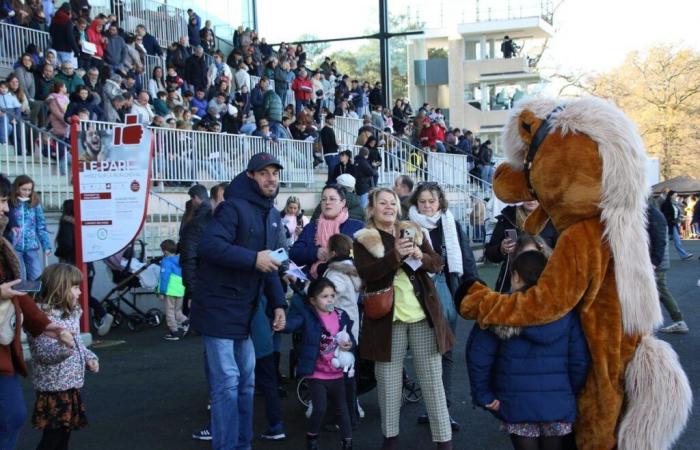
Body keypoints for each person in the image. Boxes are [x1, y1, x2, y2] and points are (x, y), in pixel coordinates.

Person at [189, 153, 288, 450]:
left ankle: (241, 446)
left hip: (245, 311)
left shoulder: (271, 214)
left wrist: (279, 304)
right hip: (218, 309)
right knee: (228, 385)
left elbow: (269, 264)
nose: (271, 178)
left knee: (245, 384)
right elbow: (209, 246)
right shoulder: (233, 208)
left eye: (275, 173)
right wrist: (253, 259)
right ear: (251, 177)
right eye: (264, 173)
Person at [353, 188, 454, 449]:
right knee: (388, 382)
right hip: (387, 320)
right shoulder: (364, 238)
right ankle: (391, 438)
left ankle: (444, 440)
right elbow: (368, 273)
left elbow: (438, 262)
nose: (388, 207)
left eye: (392, 203)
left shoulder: (412, 228)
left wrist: (423, 256)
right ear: (372, 209)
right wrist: (395, 254)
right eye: (382, 203)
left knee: (432, 380)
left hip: (422, 316)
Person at [466, 250, 589, 450]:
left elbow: (479, 357)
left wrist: (484, 395)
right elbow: (580, 360)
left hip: (516, 403)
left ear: (515, 276)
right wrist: (568, 392)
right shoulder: (564, 310)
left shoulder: (500, 308)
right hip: (558, 403)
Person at [0, 173, 72, 450]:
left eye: (7, 200)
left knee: (12, 416)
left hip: (5, 349)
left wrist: (46, 325)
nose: (7, 208)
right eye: (3, 200)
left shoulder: (5, 244)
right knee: (11, 417)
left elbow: (17, 292)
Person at [408, 182, 479, 431]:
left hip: (446, 292)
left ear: (440, 203)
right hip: (417, 297)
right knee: (425, 355)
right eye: (422, 201)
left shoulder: (451, 223)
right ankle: (433, 408)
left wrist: (475, 289)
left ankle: (442, 409)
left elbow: (466, 259)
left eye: (432, 201)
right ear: (415, 203)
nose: (427, 206)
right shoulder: (408, 227)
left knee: (445, 353)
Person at [28, 263, 100, 450]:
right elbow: (44, 354)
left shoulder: (70, 314)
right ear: (59, 288)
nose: (80, 293)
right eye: (75, 287)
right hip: (53, 387)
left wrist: (89, 357)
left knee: (63, 436)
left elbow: (77, 343)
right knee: (53, 439)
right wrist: (66, 347)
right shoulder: (42, 318)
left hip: (68, 385)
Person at [282, 278, 355, 450]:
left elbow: (349, 337)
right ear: (313, 300)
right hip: (317, 372)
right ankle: (312, 436)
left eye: (332, 295)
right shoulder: (308, 315)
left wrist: (350, 343)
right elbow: (292, 324)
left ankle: (348, 442)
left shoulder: (341, 315)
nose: (330, 299)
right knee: (320, 408)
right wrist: (281, 323)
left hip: (337, 373)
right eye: (324, 296)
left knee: (343, 410)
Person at [53, 199, 113, 336]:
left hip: (72, 266)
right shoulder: (82, 225)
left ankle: (75, 326)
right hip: (88, 266)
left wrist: (58, 252)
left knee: (71, 296)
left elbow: (66, 245)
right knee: (84, 296)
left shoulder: (66, 224)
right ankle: (101, 315)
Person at [321, 234, 361, 428]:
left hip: (338, 330)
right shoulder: (353, 271)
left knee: (338, 377)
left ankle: (343, 418)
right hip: (351, 327)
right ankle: (350, 414)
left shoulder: (335, 274)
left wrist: (308, 291)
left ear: (334, 252)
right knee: (348, 374)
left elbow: (327, 300)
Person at [290, 185, 364, 280]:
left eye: (332, 199)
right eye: (324, 199)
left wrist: (339, 256)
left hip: (347, 283)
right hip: (315, 284)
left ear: (343, 203)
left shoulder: (357, 227)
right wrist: (316, 252)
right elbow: (294, 253)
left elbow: (363, 256)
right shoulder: (312, 227)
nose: (327, 203)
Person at [485, 200, 558, 293]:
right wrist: (501, 249)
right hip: (511, 284)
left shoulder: (553, 220)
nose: (530, 200)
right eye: (526, 196)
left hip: (544, 283)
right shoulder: (507, 218)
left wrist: (545, 251)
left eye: (534, 196)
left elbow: (563, 256)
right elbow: (489, 254)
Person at [647, 202, 689, 333]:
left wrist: (654, 262)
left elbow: (660, 241)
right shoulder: (653, 213)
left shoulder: (653, 214)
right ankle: (678, 321)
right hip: (657, 262)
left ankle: (678, 321)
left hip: (656, 263)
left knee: (659, 291)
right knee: (660, 292)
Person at [6, 175, 51, 281]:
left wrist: (46, 245)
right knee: (19, 278)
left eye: (29, 190)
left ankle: (34, 297)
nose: (27, 192)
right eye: (24, 189)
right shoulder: (10, 203)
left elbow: (41, 226)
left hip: (31, 246)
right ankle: (21, 297)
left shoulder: (35, 204)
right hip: (14, 246)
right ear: (17, 188)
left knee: (36, 276)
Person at [158, 239, 188, 341]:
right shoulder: (180, 259)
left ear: (165, 251)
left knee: (169, 311)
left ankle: (174, 332)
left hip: (169, 290)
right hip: (180, 289)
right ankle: (186, 321)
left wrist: (162, 291)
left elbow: (164, 277)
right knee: (177, 311)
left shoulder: (166, 261)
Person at [660, 190, 693, 260]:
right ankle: (657, 255)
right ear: (671, 196)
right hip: (667, 224)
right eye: (675, 195)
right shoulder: (666, 204)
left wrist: (678, 218)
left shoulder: (674, 204)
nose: (676, 197)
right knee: (664, 241)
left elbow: (677, 212)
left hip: (673, 224)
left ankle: (684, 255)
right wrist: (669, 220)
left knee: (677, 240)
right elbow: (664, 214)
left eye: (676, 195)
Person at [320, 113, 340, 182]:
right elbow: (326, 143)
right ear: (327, 120)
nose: (333, 121)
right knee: (332, 173)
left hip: (334, 154)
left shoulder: (330, 129)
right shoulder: (324, 130)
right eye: (331, 119)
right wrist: (336, 143)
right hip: (330, 154)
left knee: (334, 173)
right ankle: (330, 186)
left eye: (334, 119)